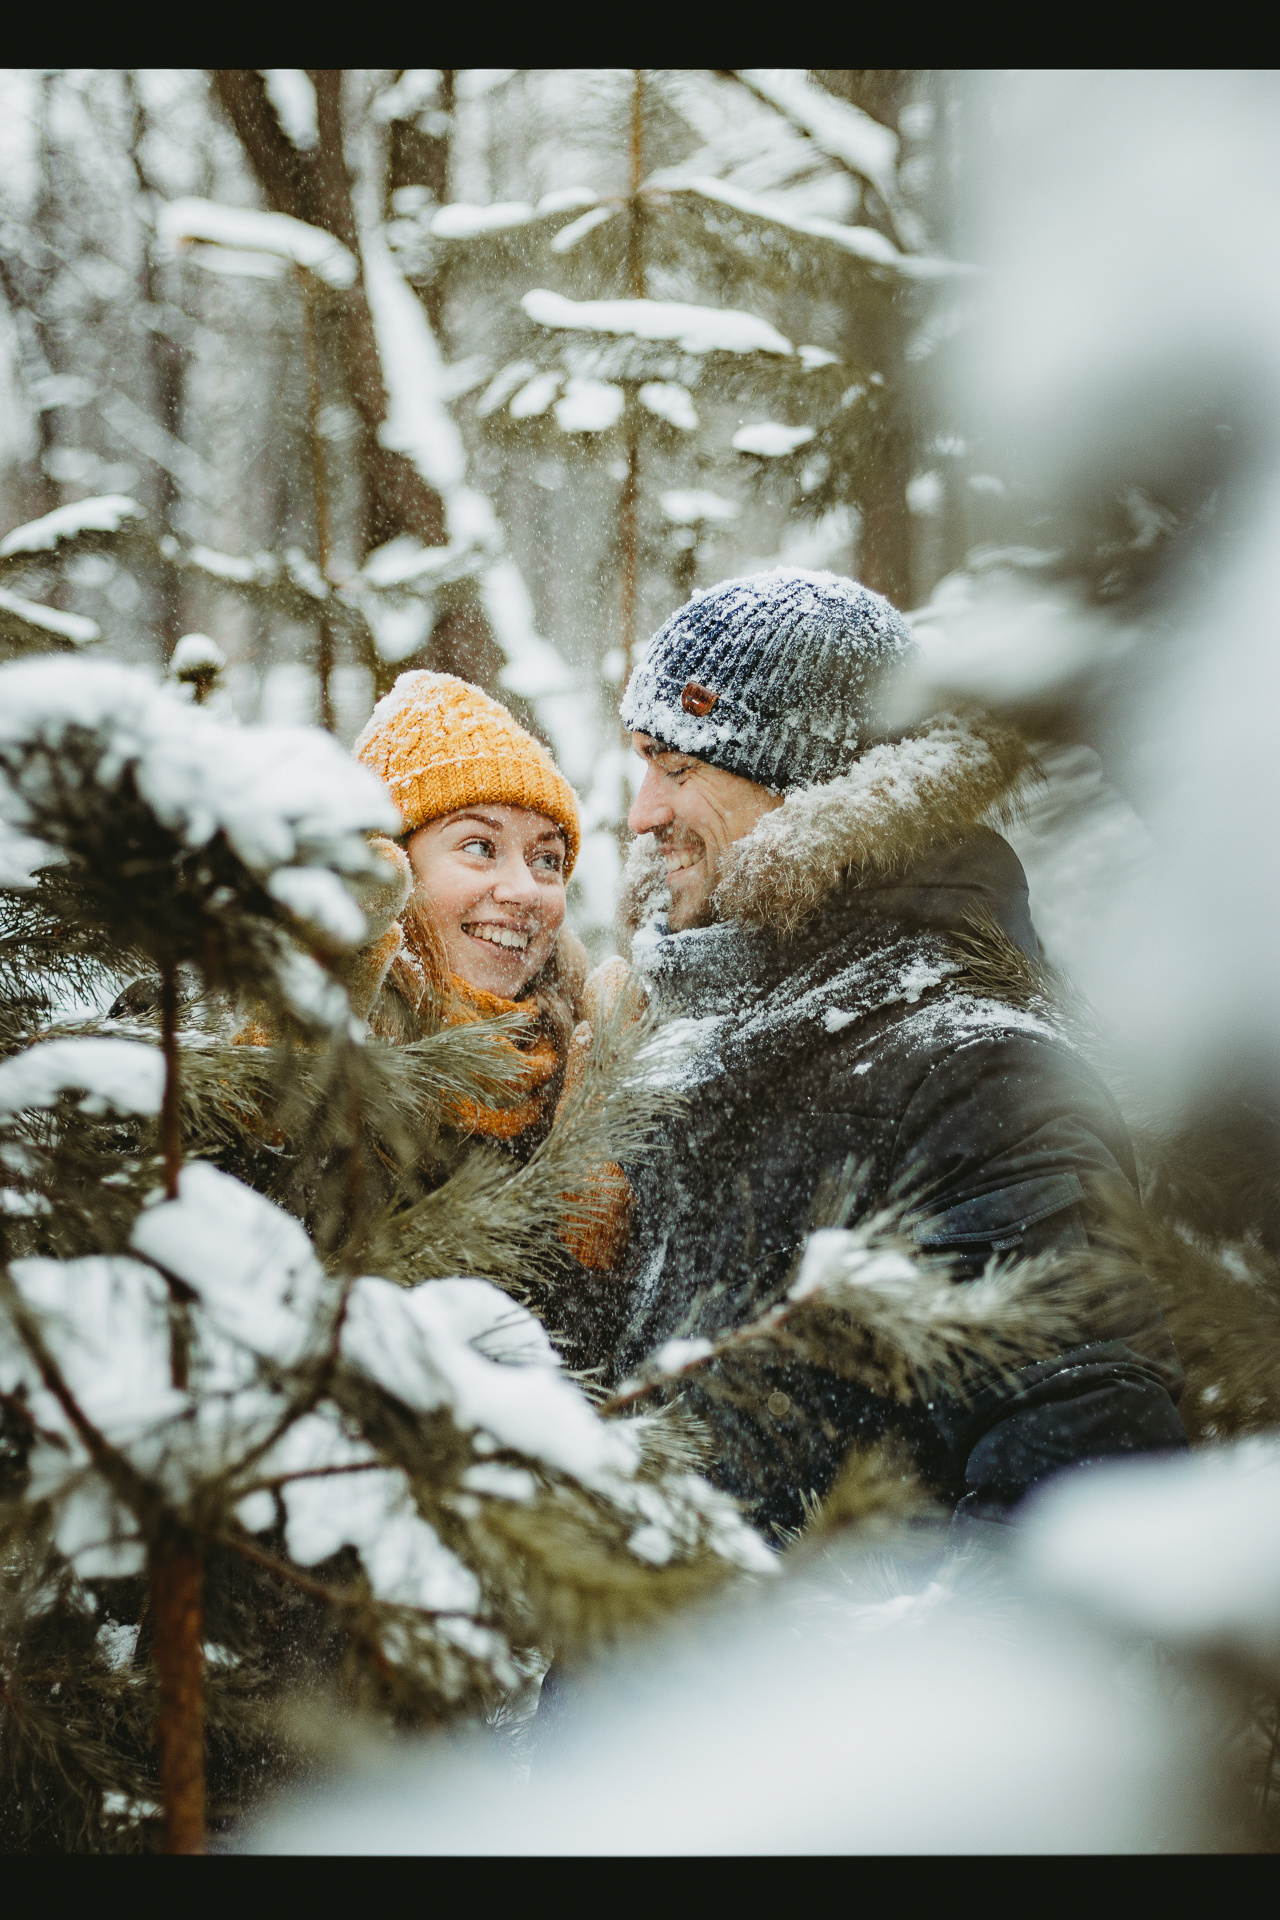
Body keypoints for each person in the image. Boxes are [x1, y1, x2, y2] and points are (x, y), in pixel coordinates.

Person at [606, 567, 1187, 1536]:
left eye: (678, 769)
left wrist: (845, 1635)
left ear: (806, 787)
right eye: (641, 764)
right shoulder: (707, 1036)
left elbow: (1087, 1505)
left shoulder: (976, 1075)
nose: (640, 813)